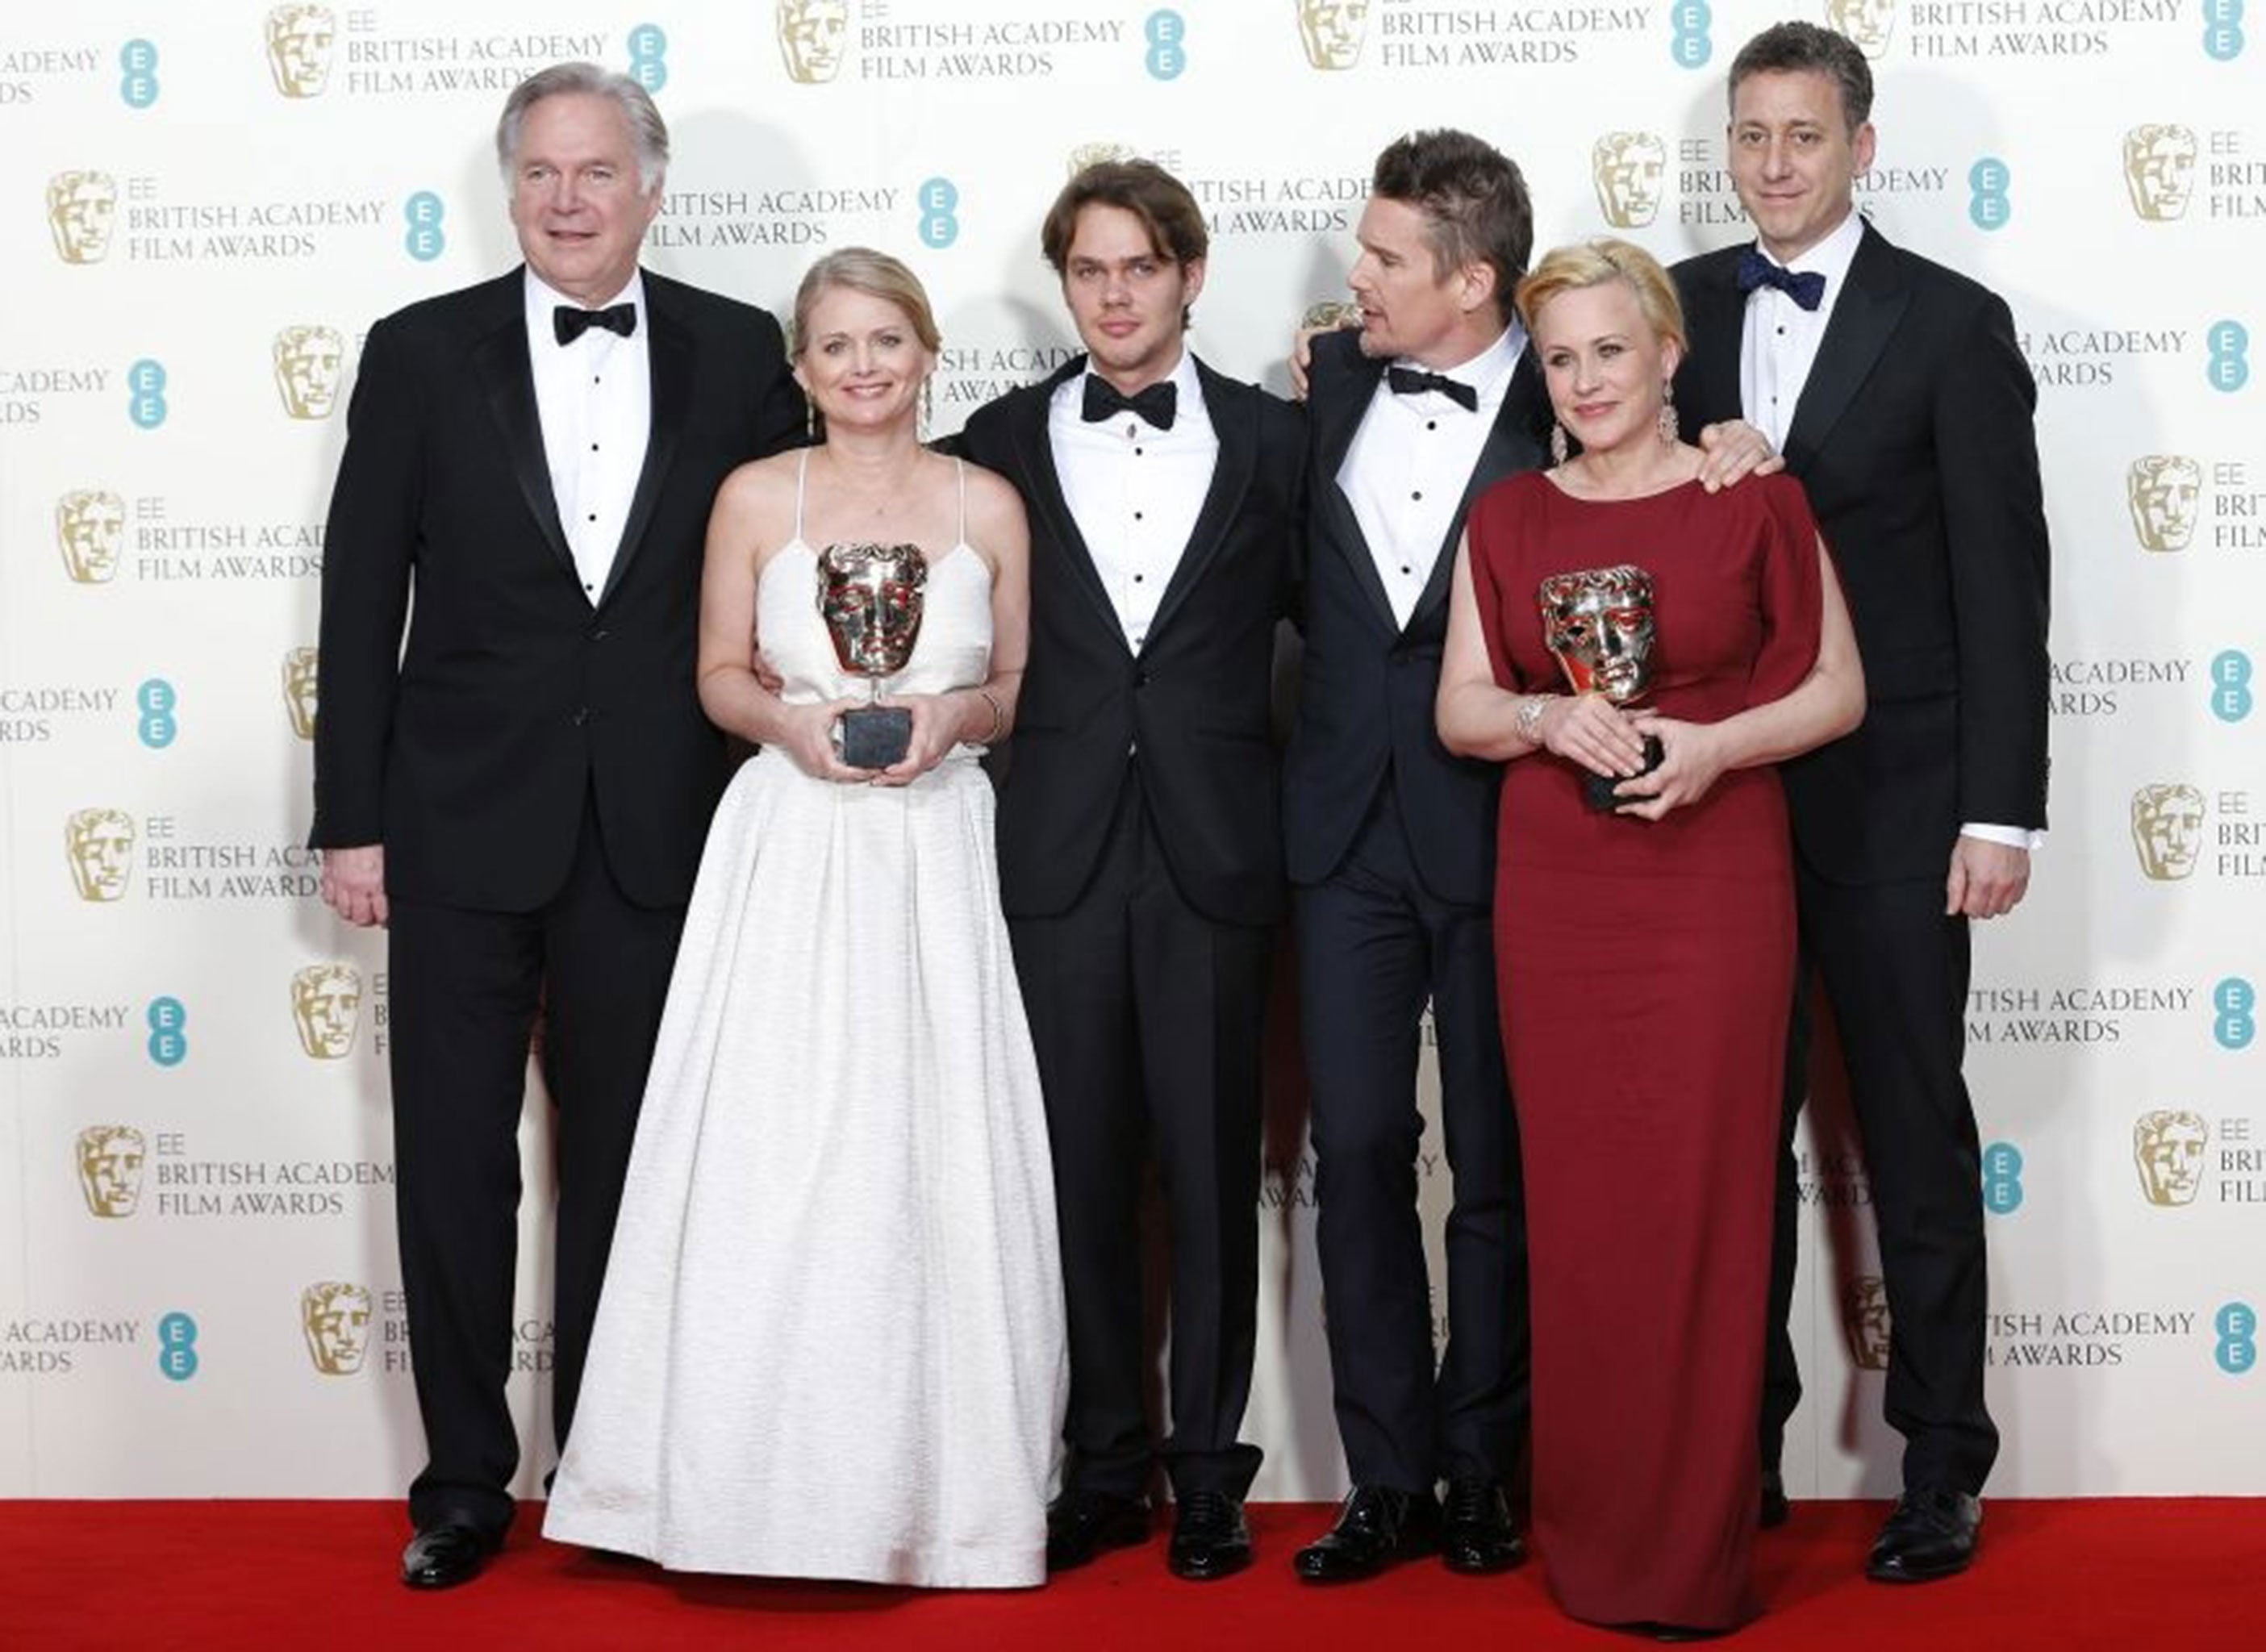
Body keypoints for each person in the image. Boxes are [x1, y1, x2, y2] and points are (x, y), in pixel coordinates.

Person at [309, 62, 804, 1590]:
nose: (568, 201)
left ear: (653, 188)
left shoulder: (737, 350)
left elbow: (823, 533)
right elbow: (356, 591)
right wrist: (350, 820)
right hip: (453, 822)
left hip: (658, 821)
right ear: (508, 186)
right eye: (541, 174)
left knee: (630, 1164)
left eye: (597, 173)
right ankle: (461, 1480)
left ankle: (604, 1464)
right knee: (455, 1160)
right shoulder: (417, 352)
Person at [544, 248, 1066, 1588]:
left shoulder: (990, 502)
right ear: (800, 368)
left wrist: (956, 719)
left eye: (885, 339)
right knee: (770, 1159)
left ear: (928, 349)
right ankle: (725, 1492)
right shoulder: (749, 497)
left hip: (935, 853)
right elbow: (717, 670)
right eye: (834, 346)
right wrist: (786, 722)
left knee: (928, 1156)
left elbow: (1012, 683)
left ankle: (938, 1503)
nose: (863, 367)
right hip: (787, 847)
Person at [1438, 236, 1863, 1633]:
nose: (1585, 379)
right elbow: (1460, 708)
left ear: (1670, 353)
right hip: (1558, 899)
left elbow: (1835, 693)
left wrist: (1715, 747)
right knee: (1580, 1219)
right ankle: (1598, 1538)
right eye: (1558, 357)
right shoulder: (1505, 518)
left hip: (1711, 879)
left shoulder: (1751, 497)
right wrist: (1541, 716)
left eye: (1610, 349)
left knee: (1701, 1208)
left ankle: (1693, 1552)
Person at [1670, 20, 2051, 1582]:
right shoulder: (1670, 307)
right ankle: (1732, 1450)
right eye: (1750, 136)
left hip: (1898, 801)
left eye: (1802, 137)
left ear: (1862, 147)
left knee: (1911, 1134)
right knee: (1724, 1141)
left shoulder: (1953, 326)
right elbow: (1533, 409)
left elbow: (2001, 582)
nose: (1771, 164)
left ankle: (1942, 1462)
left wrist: (2000, 812)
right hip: (1713, 801)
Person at [956, 161, 1304, 1583]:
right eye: (1089, 271)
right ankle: (1101, 1461)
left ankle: (1211, 1473)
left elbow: (1355, 639)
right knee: (1076, 1172)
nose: (1113, 295)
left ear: (1189, 276)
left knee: (1216, 1171)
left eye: (1139, 269)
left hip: (1221, 853)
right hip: (1052, 853)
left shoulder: (1284, 443)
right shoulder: (990, 443)